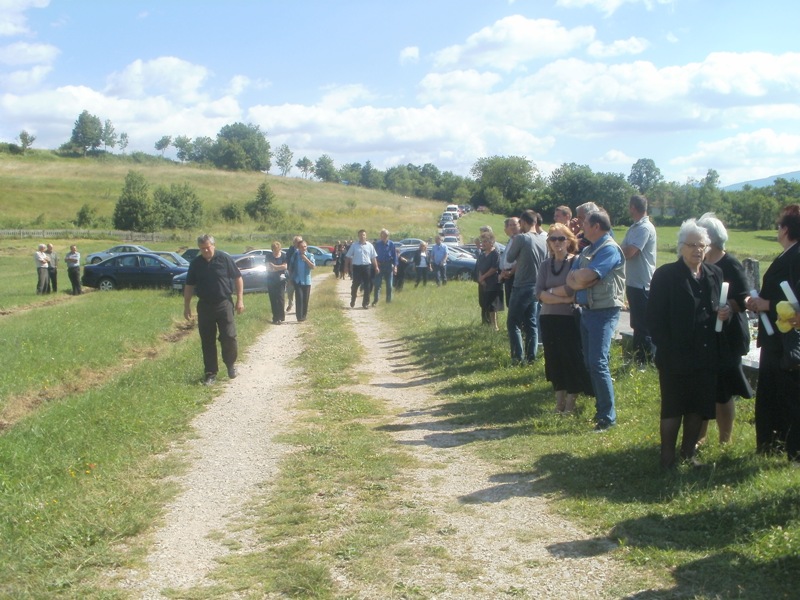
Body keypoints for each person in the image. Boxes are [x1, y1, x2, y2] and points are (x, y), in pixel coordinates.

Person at [647, 220, 728, 469]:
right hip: (675, 354)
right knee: (673, 408)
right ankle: (667, 458)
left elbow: (717, 307)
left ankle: (689, 453)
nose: (697, 250)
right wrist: (667, 348)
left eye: (702, 245)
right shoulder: (667, 275)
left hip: (705, 353)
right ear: (681, 247)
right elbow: (655, 318)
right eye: (691, 245)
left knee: (697, 407)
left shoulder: (715, 273)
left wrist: (724, 314)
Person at [554, 207, 625, 431]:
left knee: (597, 363)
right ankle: (600, 408)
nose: (581, 227)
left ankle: (607, 417)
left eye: (585, 224)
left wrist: (582, 279)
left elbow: (587, 275)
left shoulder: (609, 249)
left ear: (596, 226)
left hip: (603, 312)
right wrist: (581, 280)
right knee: (590, 363)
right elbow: (572, 277)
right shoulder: (589, 250)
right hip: (587, 310)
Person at [693, 213, 754, 446]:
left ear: (710, 239)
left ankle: (724, 440)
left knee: (722, 391)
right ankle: (699, 437)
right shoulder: (699, 265)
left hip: (728, 336)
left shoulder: (730, 264)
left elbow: (743, 298)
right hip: (707, 335)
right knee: (704, 388)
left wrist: (728, 306)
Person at [745, 204, 800, 464]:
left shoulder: (795, 256)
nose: (777, 231)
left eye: (779, 226)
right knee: (774, 392)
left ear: (786, 230)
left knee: (785, 395)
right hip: (775, 335)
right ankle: (774, 445)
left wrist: (766, 304)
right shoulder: (788, 254)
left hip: (784, 339)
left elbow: (793, 296)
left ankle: (788, 448)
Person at [536, 223, 593, 414]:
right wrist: (565, 297)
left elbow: (572, 288)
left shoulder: (575, 262)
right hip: (548, 318)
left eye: (561, 238)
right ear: (549, 243)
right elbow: (538, 293)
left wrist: (551, 293)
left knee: (570, 360)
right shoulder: (545, 265)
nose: (557, 242)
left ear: (569, 240)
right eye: (553, 239)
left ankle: (570, 406)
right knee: (554, 361)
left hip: (568, 319)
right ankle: (559, 404)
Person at [183, 234, 244, 386]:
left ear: (213, 246)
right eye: (202, 249)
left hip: (224, 304)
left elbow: (238, 277)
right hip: (205, 306)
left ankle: (230, 365)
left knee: (229, 336)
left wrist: (240, 300)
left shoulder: (224, 259)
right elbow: (189, 285)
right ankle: (210, 373)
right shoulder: (196, 264)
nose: (205, 251)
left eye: (207, 248)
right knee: (207, 340)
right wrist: (187, 306)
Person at [504, 210, 547, 365]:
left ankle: (517, 357)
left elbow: (509, 257)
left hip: (521, 285)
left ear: (523, 222)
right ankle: (531, 357)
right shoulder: (544, 240)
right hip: (537, 286)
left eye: (520, 223)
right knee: (531, 323)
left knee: (513, 323)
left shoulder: (522, 238)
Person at [621, 194, 657, 365]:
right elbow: (623, 248)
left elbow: (629, 252)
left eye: (630, 206)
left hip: (643, 283)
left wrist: (620, 250)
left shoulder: (644, 228)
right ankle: (638, 358)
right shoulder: (634, 227)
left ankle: (645, 360)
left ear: (633, 207)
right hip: (633, 282)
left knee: (643, 325)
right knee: (636, 323)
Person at [476, 230, 503, 330]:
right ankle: (486, 323)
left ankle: (495, 325)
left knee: (493, 305)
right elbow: (479, 267)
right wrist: (480, 278)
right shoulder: (482, 254)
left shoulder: (495, 253)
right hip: (482, 283)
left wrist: (483, 277)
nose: (483, 244)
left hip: (492, 282)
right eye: (482, 241)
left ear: (491, 242)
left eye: (485, 241)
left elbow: (494, 268)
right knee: (484, 303)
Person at [345, 229, 379, 308]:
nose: (362, 236)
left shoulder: (370, 246)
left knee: (367, 285)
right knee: (355, 284)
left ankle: (365, 303)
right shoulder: (354, 245)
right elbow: (347, 256)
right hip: (357, 267)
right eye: (360, 235)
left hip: (367, 267)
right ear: (358, 236)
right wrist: (346, 267)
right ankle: (353, 299)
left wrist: (376, 267)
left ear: (366, 236)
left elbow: (373, 258)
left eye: (363, 235)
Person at [291, 240, 315, 321]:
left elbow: (313, 266)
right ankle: (299, 317)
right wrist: (290, 278)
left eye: (305, 246)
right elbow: (291, 266)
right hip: (298, 280)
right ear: (298, 248)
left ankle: (304, 315)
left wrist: (306, 259)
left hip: (306, 281)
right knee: (299, 298)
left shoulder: (310, 255)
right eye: (301, 247)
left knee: (305, 299)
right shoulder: (295, 255)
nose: (303, 248)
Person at [372, 229, 397, 306]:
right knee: (377, 284)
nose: (384, 237)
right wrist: (376, 264)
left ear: (388, 236)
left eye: (386, 235)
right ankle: (376, 300)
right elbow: (374, 255)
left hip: (389, 265)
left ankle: (388, 301)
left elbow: (394, 256)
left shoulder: (391, 244)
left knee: (389, 285)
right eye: (383, 235)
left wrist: (395, 267)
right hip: (379, 265)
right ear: (380, 236)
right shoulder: (377, 244)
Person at [498, 217, 519, 308]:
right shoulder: (511, 239)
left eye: (514, 224)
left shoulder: (520, 239)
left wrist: (510, 272)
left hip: (515, 274)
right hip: (506, 274)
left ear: (520, 225)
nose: (512, 227)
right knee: (509, 303)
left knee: (515, 303)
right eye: (510, 225)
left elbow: (519, 260)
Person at [266, 241, 288, 324]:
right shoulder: (268, 256)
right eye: (275, 250)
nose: (276, 251)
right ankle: (275, 317)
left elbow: (285, 266)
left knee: (281, 298)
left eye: (278, 250)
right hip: (271, 280)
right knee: (273, 299)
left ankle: (281, 317)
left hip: (281, 280)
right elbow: (268, 268)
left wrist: (275, 267)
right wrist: (279, 268)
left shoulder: (283, 255)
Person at [285, 235, 302, 313]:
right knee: (290, 290)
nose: (299, 243)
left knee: (300, 292)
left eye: (300, 241)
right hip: (291, 273)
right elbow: (287, 261)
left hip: (300, 274)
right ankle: (290, 303)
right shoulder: (290, 250)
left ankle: (299, 308)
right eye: (298, 242)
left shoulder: (304, 250)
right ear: (294, 242)